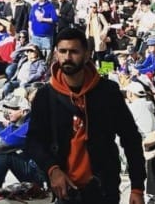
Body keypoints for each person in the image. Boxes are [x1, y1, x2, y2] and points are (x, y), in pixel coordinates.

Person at [26, 27, 146, 204]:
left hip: (103, 188)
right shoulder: (45, 96)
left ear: (87, 54)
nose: (67, 57)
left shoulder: (108, 92)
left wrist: (137, 187)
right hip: (66, 191)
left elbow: (131, 138)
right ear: (55, 53)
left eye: (74, 51)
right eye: (62, 51)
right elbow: (33, 140)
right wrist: (52, 169)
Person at [0, 95, 45, 195]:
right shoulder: (17, 123)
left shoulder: (29, 126)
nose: (8, 111)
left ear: (24, 111)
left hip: (39, 176)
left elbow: (1, 145)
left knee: (3, 155)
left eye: (13, 109)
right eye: (8, 108)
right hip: (29, 166)